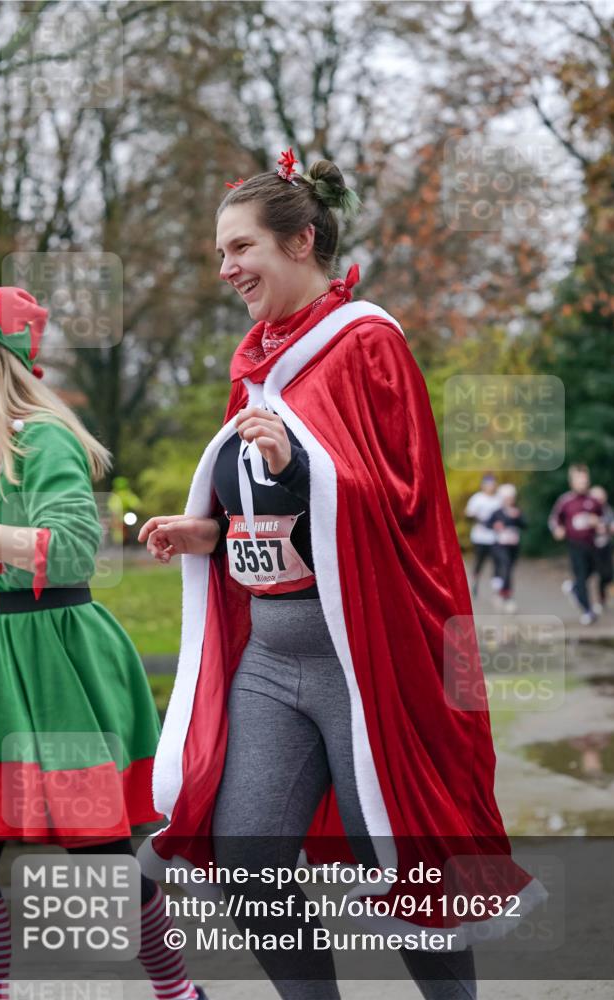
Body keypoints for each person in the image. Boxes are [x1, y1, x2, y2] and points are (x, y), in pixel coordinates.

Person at [139, 152, 546, 1000]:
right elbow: (264, 507)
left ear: (301, 240)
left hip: (363, 662)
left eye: (240, 248)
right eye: (220, 253)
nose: (226, 269)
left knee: (407, 864)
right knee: (246, 863)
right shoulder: (254, 361)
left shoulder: (367, 344)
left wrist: (298, 469)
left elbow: (401, 499)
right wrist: (205, 529)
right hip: (269, 662)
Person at [0, 288, 205, 1000]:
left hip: (52, 665)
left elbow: (73, 551)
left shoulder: (43, 438)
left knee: (99, 851)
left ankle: (178, 992)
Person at [548, 463, 604, 625]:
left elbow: (604, 519)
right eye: (579, 481)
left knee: (593, 571)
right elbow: (554, 519)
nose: (582, 484)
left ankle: (574, 587)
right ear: (572, 482)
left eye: (585, 481)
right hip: (575, 544)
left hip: (592, 543)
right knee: (580, 575)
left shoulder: (594, 501)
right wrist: (557, 529)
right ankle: (587, 610)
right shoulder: (565, 501)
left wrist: (599, 523)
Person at [486, 483, 526, 613]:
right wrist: (495, 526)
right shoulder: (497, 513)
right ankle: (507, 596)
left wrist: (518, 518)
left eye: (511, 498)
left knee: (509, 569)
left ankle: (500, 592)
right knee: (505, 567)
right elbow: (487, 524)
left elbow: (526, 525)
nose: (509, 500)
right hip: (499, 546)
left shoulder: (517, 511)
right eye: (506, 498)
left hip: (513, 546)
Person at [464, 473, 501, 597]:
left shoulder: (498, 499)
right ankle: (474, 581)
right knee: (479, 561)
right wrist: (479, 519)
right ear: (483, 485)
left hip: (495, 537)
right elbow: (468, 514)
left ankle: (497, 587)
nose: (491, 487)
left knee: (497, 562)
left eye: (493, 484)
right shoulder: (477, 498)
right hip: (480, 537)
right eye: (488, 484)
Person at [589, 485, 614, 614]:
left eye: (601, 497)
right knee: (596, 574)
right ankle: (595, 600)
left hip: (606, 546)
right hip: (591, 547)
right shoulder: (586, 510)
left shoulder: (609, 510)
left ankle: (601, 597)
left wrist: (607, 527)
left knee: (609, 575)